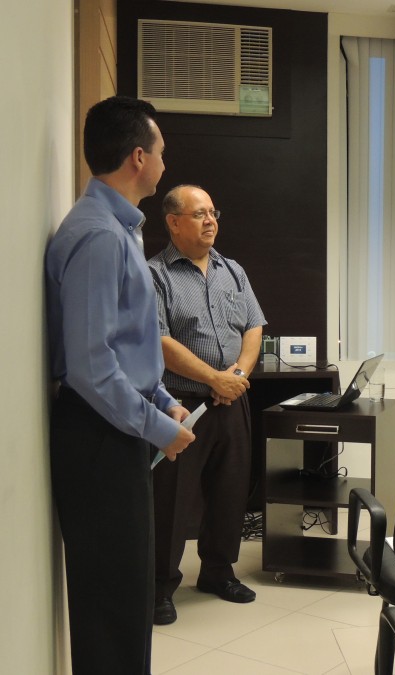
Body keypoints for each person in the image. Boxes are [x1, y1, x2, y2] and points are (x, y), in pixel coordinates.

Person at [45, 96, 196, 675]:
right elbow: (90, 365)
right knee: (112, 606)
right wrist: (158, 428)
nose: (164, 161)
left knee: (127, 600)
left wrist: (162, 400)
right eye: (161, 151)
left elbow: (126, 342)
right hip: (98, 435)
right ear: (138, 157)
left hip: (114, 425)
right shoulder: (101, 236)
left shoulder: (119, 229)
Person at [148, 184, 266, 625]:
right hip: (180, 404)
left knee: (230, 491)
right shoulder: (155, 274)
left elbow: (253, 326)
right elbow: (160, 341)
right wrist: (213, 378)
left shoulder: (232, 270)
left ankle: (218, 572)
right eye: (199, 214)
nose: (210, 220)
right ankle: (161, 586)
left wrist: (235, 377)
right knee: (172, 500)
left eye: (213, 212)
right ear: (173, 222)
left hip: (231, 399)